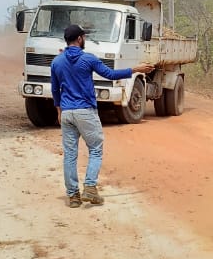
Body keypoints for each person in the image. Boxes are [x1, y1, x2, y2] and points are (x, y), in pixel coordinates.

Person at [50, 24, 153, 208]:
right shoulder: (87, 59)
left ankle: (73, 196)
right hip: (85, 111)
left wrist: (59, 110)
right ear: (80, 39)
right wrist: (135, 69)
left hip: (66, 113)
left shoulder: (57, 62)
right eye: (84, 37)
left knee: (70, 155)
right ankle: (90, 186)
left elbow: (55, 90)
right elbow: (110, 74)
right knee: (96, 149)